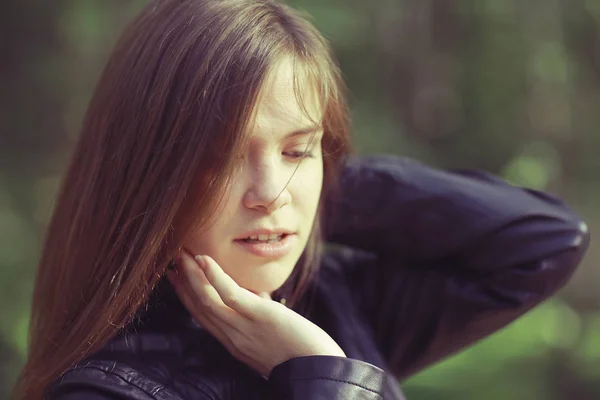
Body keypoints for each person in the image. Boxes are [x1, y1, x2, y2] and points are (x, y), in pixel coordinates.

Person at [13, 0, 590, 399]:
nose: (269, 195)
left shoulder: (336, 302)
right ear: (149, 174)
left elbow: (543, 242)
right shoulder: (110, 390)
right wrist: (323, 376)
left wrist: (321, 191)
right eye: (219, 159)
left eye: (298, 150)